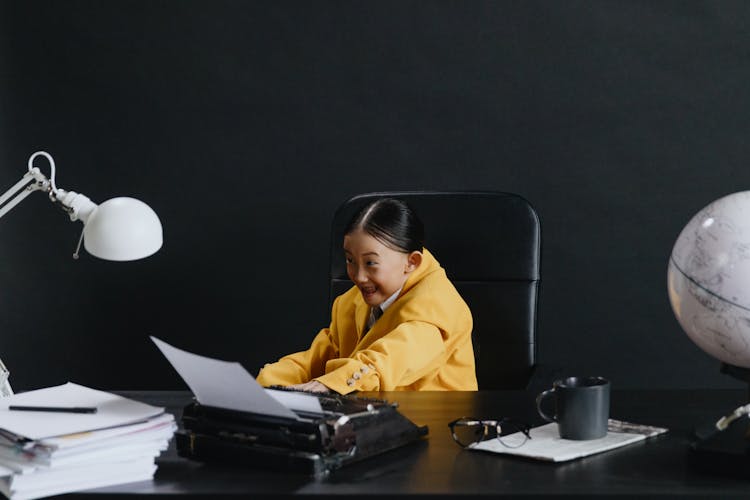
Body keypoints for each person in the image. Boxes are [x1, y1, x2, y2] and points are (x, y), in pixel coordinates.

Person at [256, 197, 477, 394]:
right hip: (374, 420)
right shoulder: (351, 302)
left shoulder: (437, 308)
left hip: (437, 426)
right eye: (351, 260)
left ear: (412, 262)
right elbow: (318, 358)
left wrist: (330, 384)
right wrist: (267, 383)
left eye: (371, 263)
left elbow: (390, 358)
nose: (359, 277)